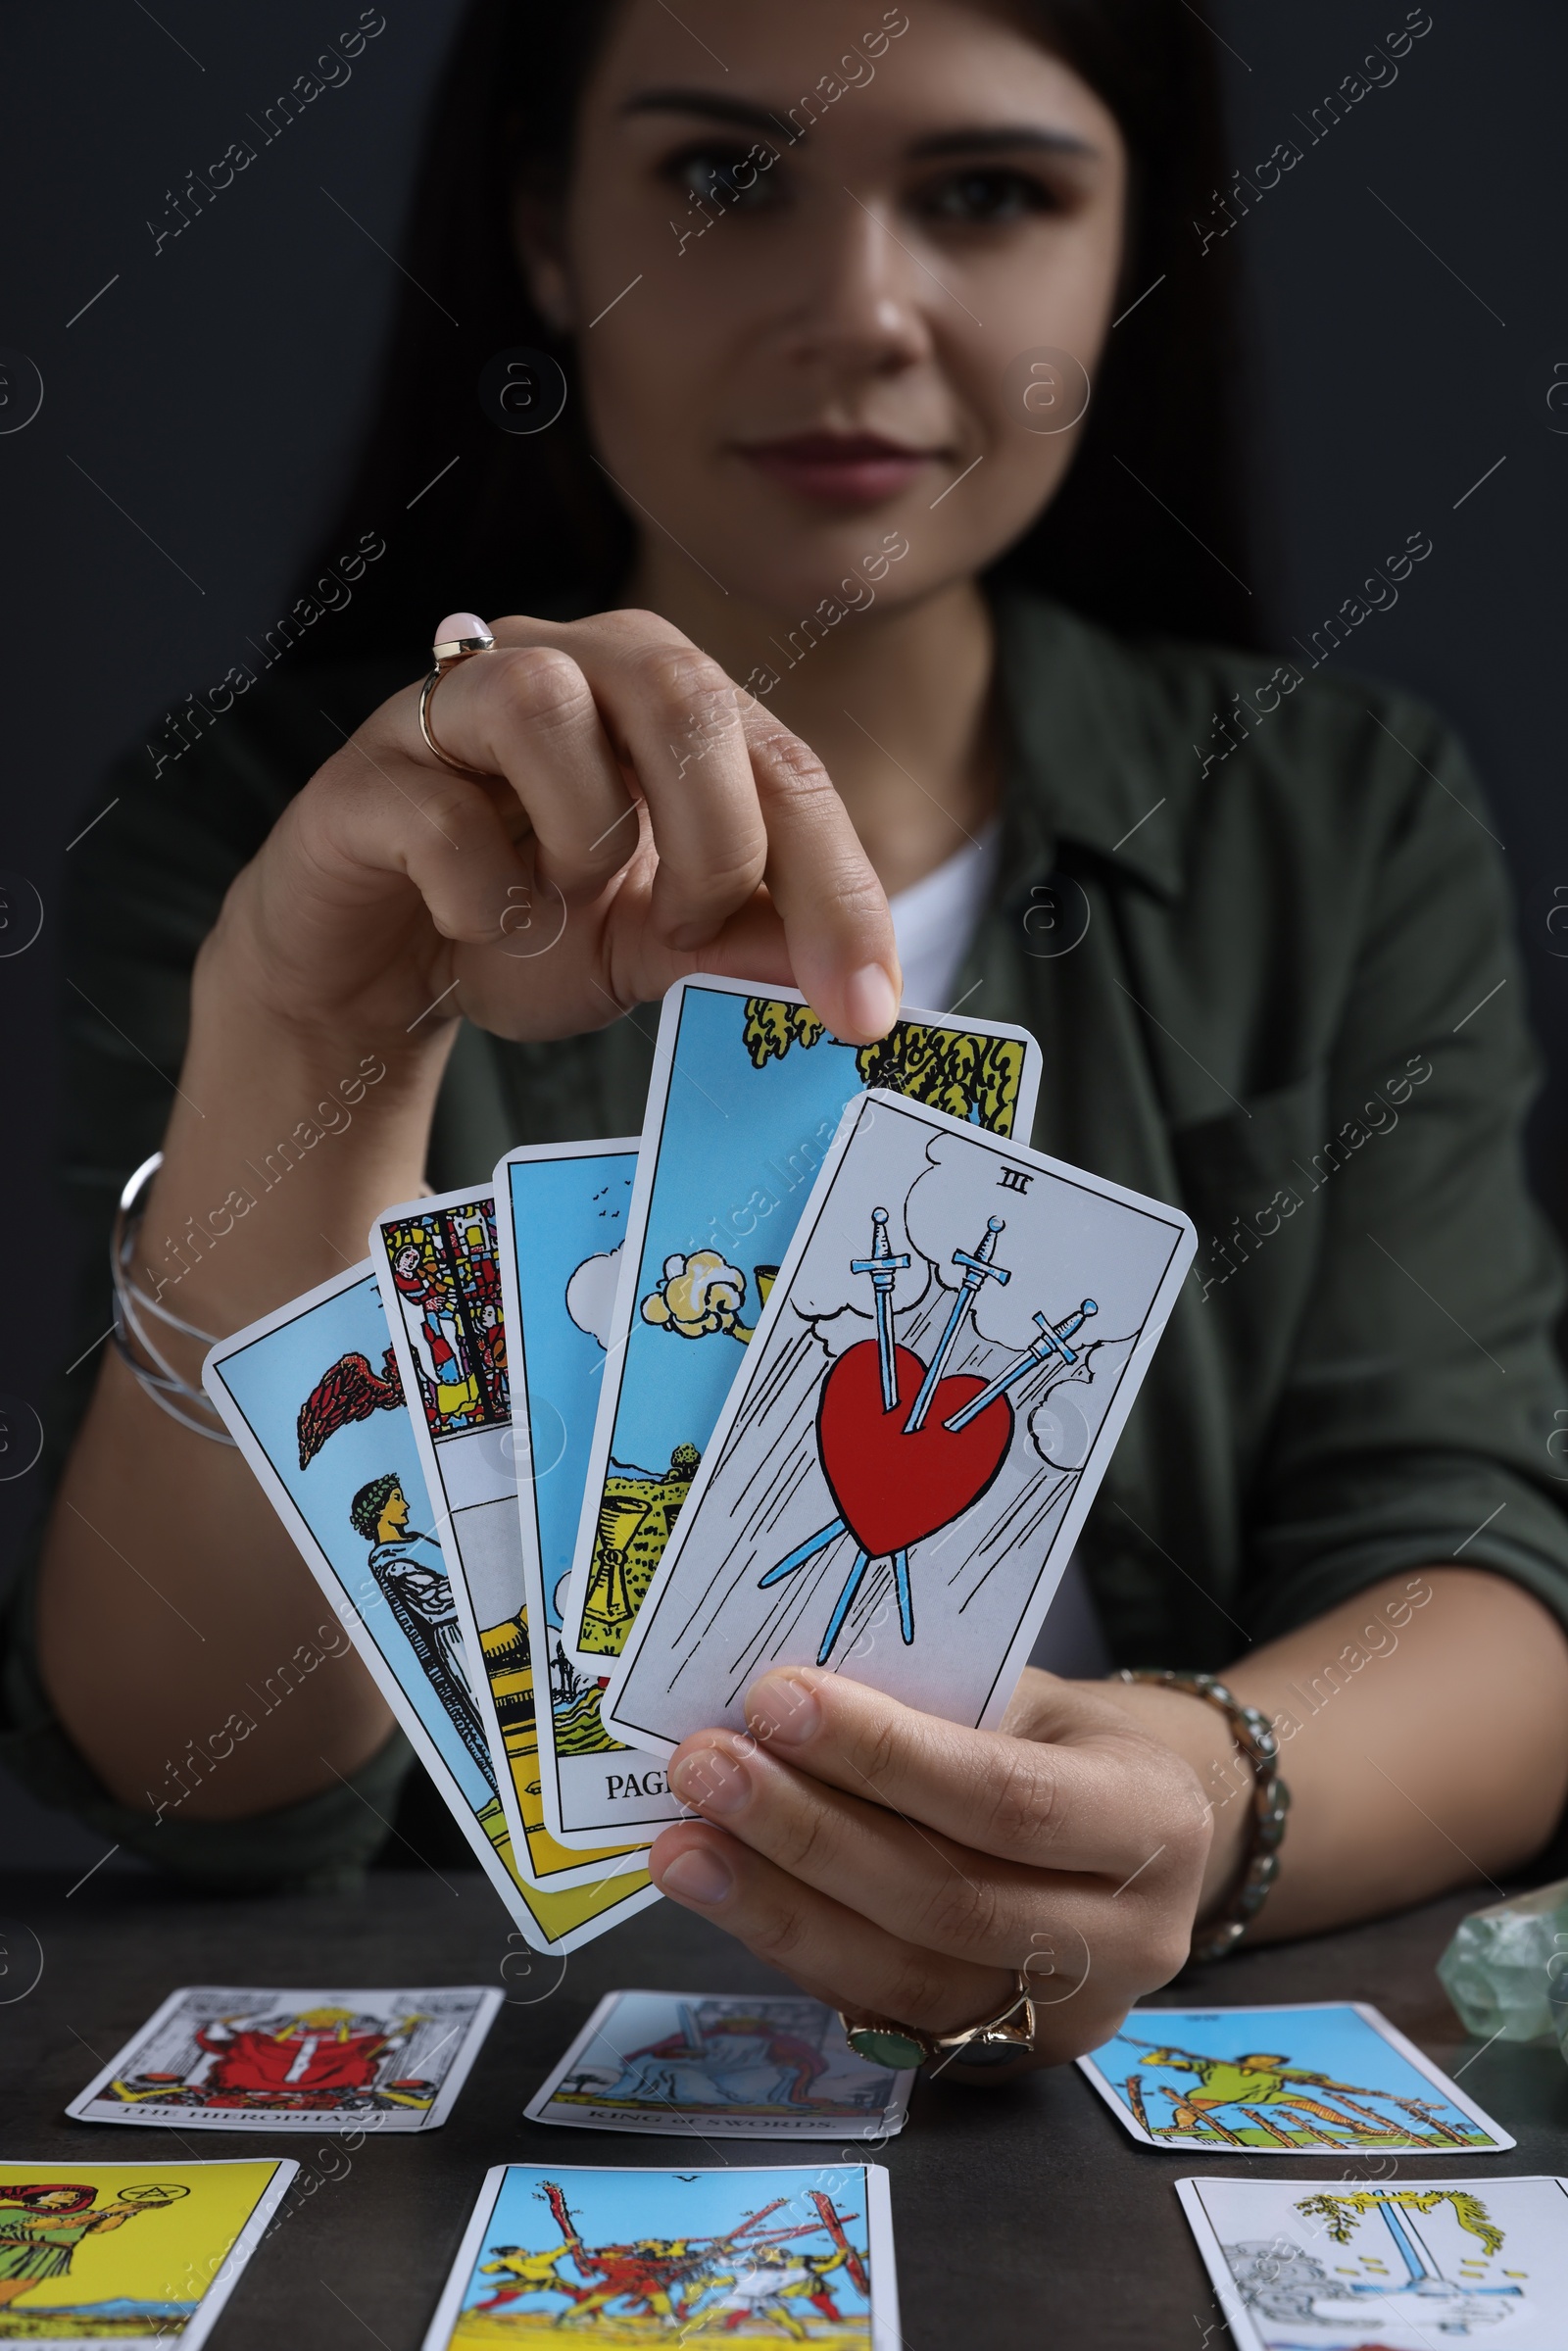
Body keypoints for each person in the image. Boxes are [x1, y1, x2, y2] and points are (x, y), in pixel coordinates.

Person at [11, 0, 1568, 2064]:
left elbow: (1478, 1588)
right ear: (545, 237)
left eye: (989, 193)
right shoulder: (258, 837)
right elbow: (208, 1788)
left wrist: (1189, 1799)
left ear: (1131, 249)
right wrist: (317, 1050)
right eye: (726, 179)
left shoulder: (1341, 819)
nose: (861, 309)